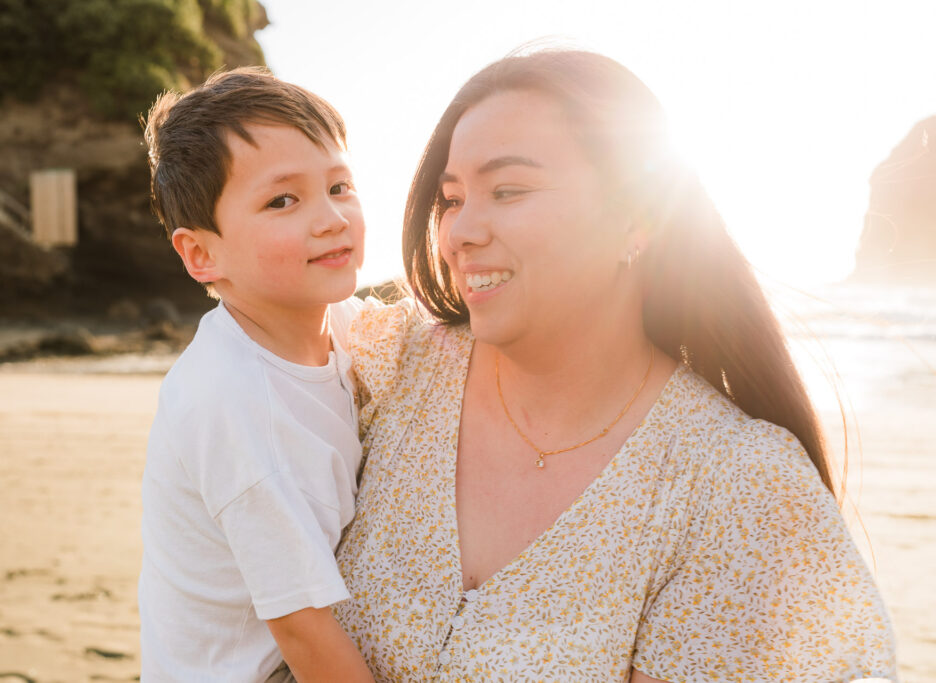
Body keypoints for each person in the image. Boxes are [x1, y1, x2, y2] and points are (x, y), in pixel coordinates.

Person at [333, 50, 898, 682]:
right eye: (452, 198)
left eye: (508, 190)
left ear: (637, 217)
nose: (460, 230)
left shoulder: (737, 488)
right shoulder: (386, 365)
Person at [138, 67, 373, 682]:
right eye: (282, 200)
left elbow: (434, 339)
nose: (331, 218)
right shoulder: (229, 400)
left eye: (340, 185)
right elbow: (301, 624)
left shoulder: (343, 321)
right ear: (201, 254)